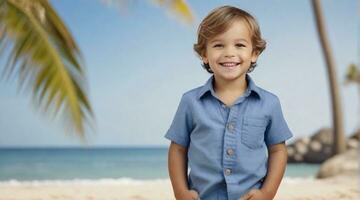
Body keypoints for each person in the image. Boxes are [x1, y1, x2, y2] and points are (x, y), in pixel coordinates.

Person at [165, 5, 293, 200]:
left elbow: (277, 150)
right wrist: (181, 192)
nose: (229, 53)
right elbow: (178, 149)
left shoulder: (269, 103)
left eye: (239, 45)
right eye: (218, 45)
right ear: (204, 54)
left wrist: (267, 193)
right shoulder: (190, 102)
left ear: (254, 53)